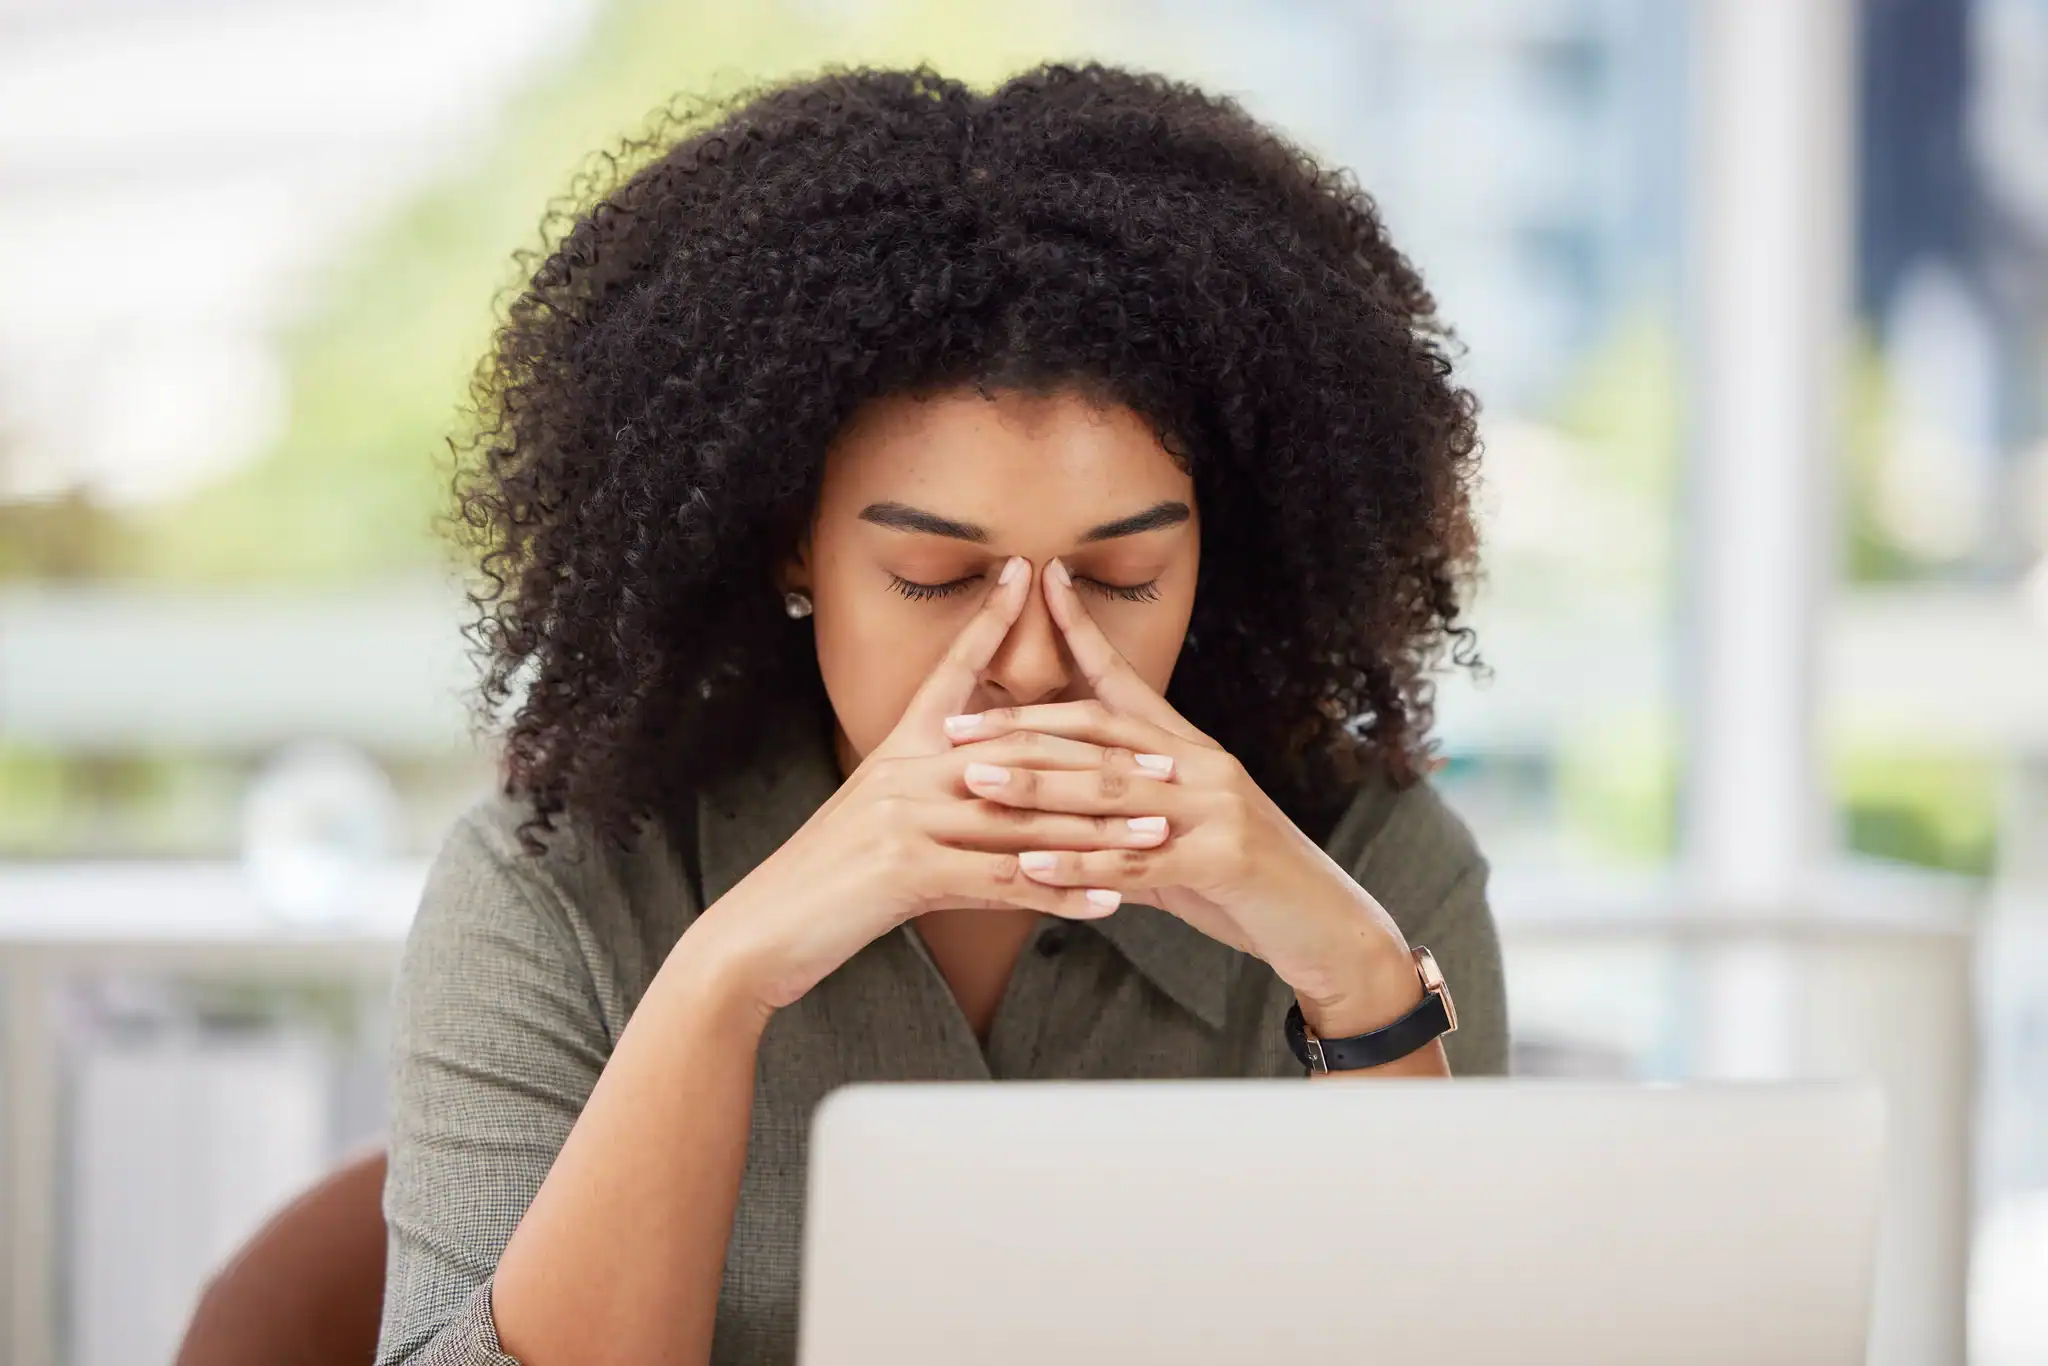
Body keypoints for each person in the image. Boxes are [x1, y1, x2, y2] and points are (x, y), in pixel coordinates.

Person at [376, 62, 1506, 1366]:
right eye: (937, 577)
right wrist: (719, 982)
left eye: (1121, 577)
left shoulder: (1374, 866)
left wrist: (1359, 980)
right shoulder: (554, 887)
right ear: (793, 545)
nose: (1029, 663)